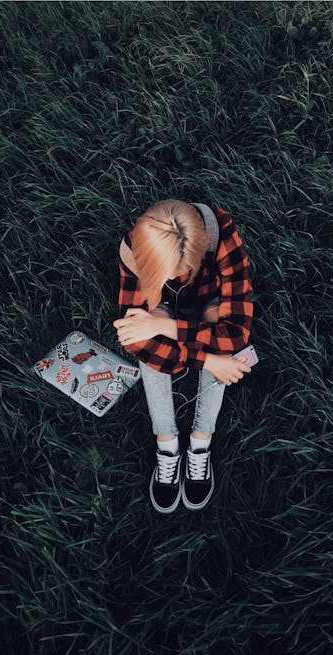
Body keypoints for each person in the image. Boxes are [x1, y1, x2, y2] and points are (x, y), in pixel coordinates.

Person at [113, 200, 254, 513]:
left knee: (217, 323)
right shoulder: (134, 250)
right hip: (161, 311)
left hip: (208, 306)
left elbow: (236, 332)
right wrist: (209, 359)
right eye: (170, 274)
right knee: (146, 334)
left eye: (187, 270)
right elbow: (137, 343)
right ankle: (167, 445)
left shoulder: (220, 231)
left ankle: (200, 441)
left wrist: (166, 326)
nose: (181, 278)